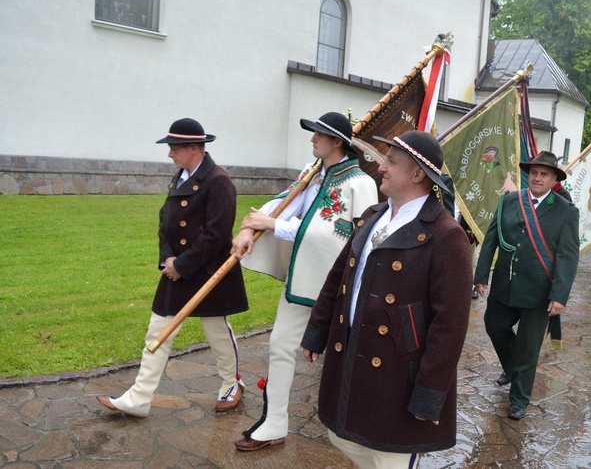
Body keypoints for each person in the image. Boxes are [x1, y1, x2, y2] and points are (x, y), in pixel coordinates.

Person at [300, 130, 473, 467]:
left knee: (390, 454)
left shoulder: (446, 235)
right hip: (354, 353)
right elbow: (339, 278)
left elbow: (450, 325)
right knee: (342, 435)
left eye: (392, 162)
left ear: (418, 174)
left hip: (400, 370)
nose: (380, 167)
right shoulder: (372, 215)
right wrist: (317, 330)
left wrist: (429, 393)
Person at [232, 112, 378, 452]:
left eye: (318, 134)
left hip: (339, 287)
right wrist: (250, 226)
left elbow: (352, 238)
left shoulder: (360, 183)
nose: (312, 138)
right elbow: (282, 206)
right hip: (303, 283)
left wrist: (272, 226)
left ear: (337, 142)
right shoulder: (312, 173)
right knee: (281, 344)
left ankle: (358, 425)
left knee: (346, 356)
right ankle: (275, 421)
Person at [97, 118, 249, 417]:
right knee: (157, 331)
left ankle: (231, 385)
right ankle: (139, 398)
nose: (170, 154)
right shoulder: (179, 176)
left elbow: (217, 234)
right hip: (176, 271)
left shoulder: (219, 181)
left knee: (217, 333)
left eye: (174, 148)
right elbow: (165, 222)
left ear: (194, 147)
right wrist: (168, 259)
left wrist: (183, 264)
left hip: (208, 272)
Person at [474, 150, 579, 420]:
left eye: (544, 174)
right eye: (534, 172)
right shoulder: (509, 200)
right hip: (505, 285)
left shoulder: (566, 211)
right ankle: (512, 367)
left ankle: (519, 398)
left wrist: (560, 295)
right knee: (494, 325)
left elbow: (568, 255)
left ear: (554, 179)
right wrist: (481, 274)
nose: (537, 177)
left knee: (528, 347)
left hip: (539, 292)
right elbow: (491, 238)